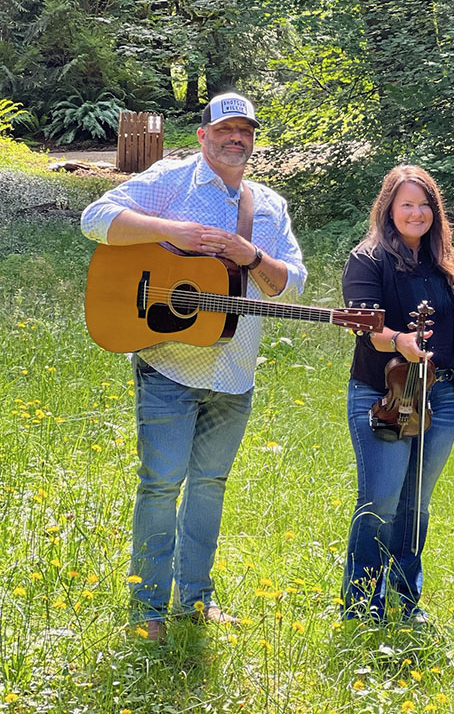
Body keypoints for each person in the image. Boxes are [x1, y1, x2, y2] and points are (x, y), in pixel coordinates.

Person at [81, 92, 307, 641]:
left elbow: (294, 284)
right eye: (226, 129)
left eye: (246, 131)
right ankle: (148, 610)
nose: (237, 139)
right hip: (168, 366)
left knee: (210, 485)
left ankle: (194, 599)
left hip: (235, 371)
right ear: (203, 135)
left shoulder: (269, 206)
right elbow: (95, 217)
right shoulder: (171, 181)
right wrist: (169, 231)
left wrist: (248, 255)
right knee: (161, 485)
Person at [340, 165, 454, 622]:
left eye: (424, 205)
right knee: (381, 498)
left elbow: (453, 326)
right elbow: (369, 329)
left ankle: (404, 600)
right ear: (389, 209)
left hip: (441, 396)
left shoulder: (439, 262)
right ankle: (362, 605)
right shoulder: (368, 258)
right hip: (388, 392)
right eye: (407, 204)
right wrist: (400, 340)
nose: (416, 213)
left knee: (415, 500)